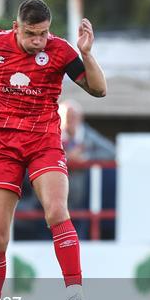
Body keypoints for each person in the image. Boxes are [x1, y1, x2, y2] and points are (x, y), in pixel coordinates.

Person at [0, 0, 107, 300]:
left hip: (44, 143)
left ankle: (75, 290)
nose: (39, 41)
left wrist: (87, 54)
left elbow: (99, 90)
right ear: (16, 28)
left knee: (56, 211)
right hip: (3, 148)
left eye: (44, 33)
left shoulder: (60, 51)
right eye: (32, 34)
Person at [59, 100, 116, 238]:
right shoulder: (52, 134)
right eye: (65, 116)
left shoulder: (88, 136)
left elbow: (111, 152)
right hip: (56, 195)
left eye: (73, 116)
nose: (69, 121)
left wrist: (86, 157)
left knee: (80, 231)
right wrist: (66, 159)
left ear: (80, 118)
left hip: (82, 196)